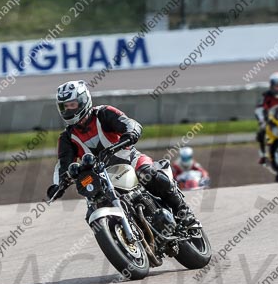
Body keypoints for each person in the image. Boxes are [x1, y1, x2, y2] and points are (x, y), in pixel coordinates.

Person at [47, 80, 198, 226]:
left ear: (83, 101)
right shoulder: (67, 137)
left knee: (147, 173)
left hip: (129, 160)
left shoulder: (103, 113)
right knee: (93, 208)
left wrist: (130, 133)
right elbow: (63, 164)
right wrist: (58, 185)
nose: (68, 110)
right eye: (64, 107)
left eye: (72, 105)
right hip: (102, 178)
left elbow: (129, 124)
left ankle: (184, 213)